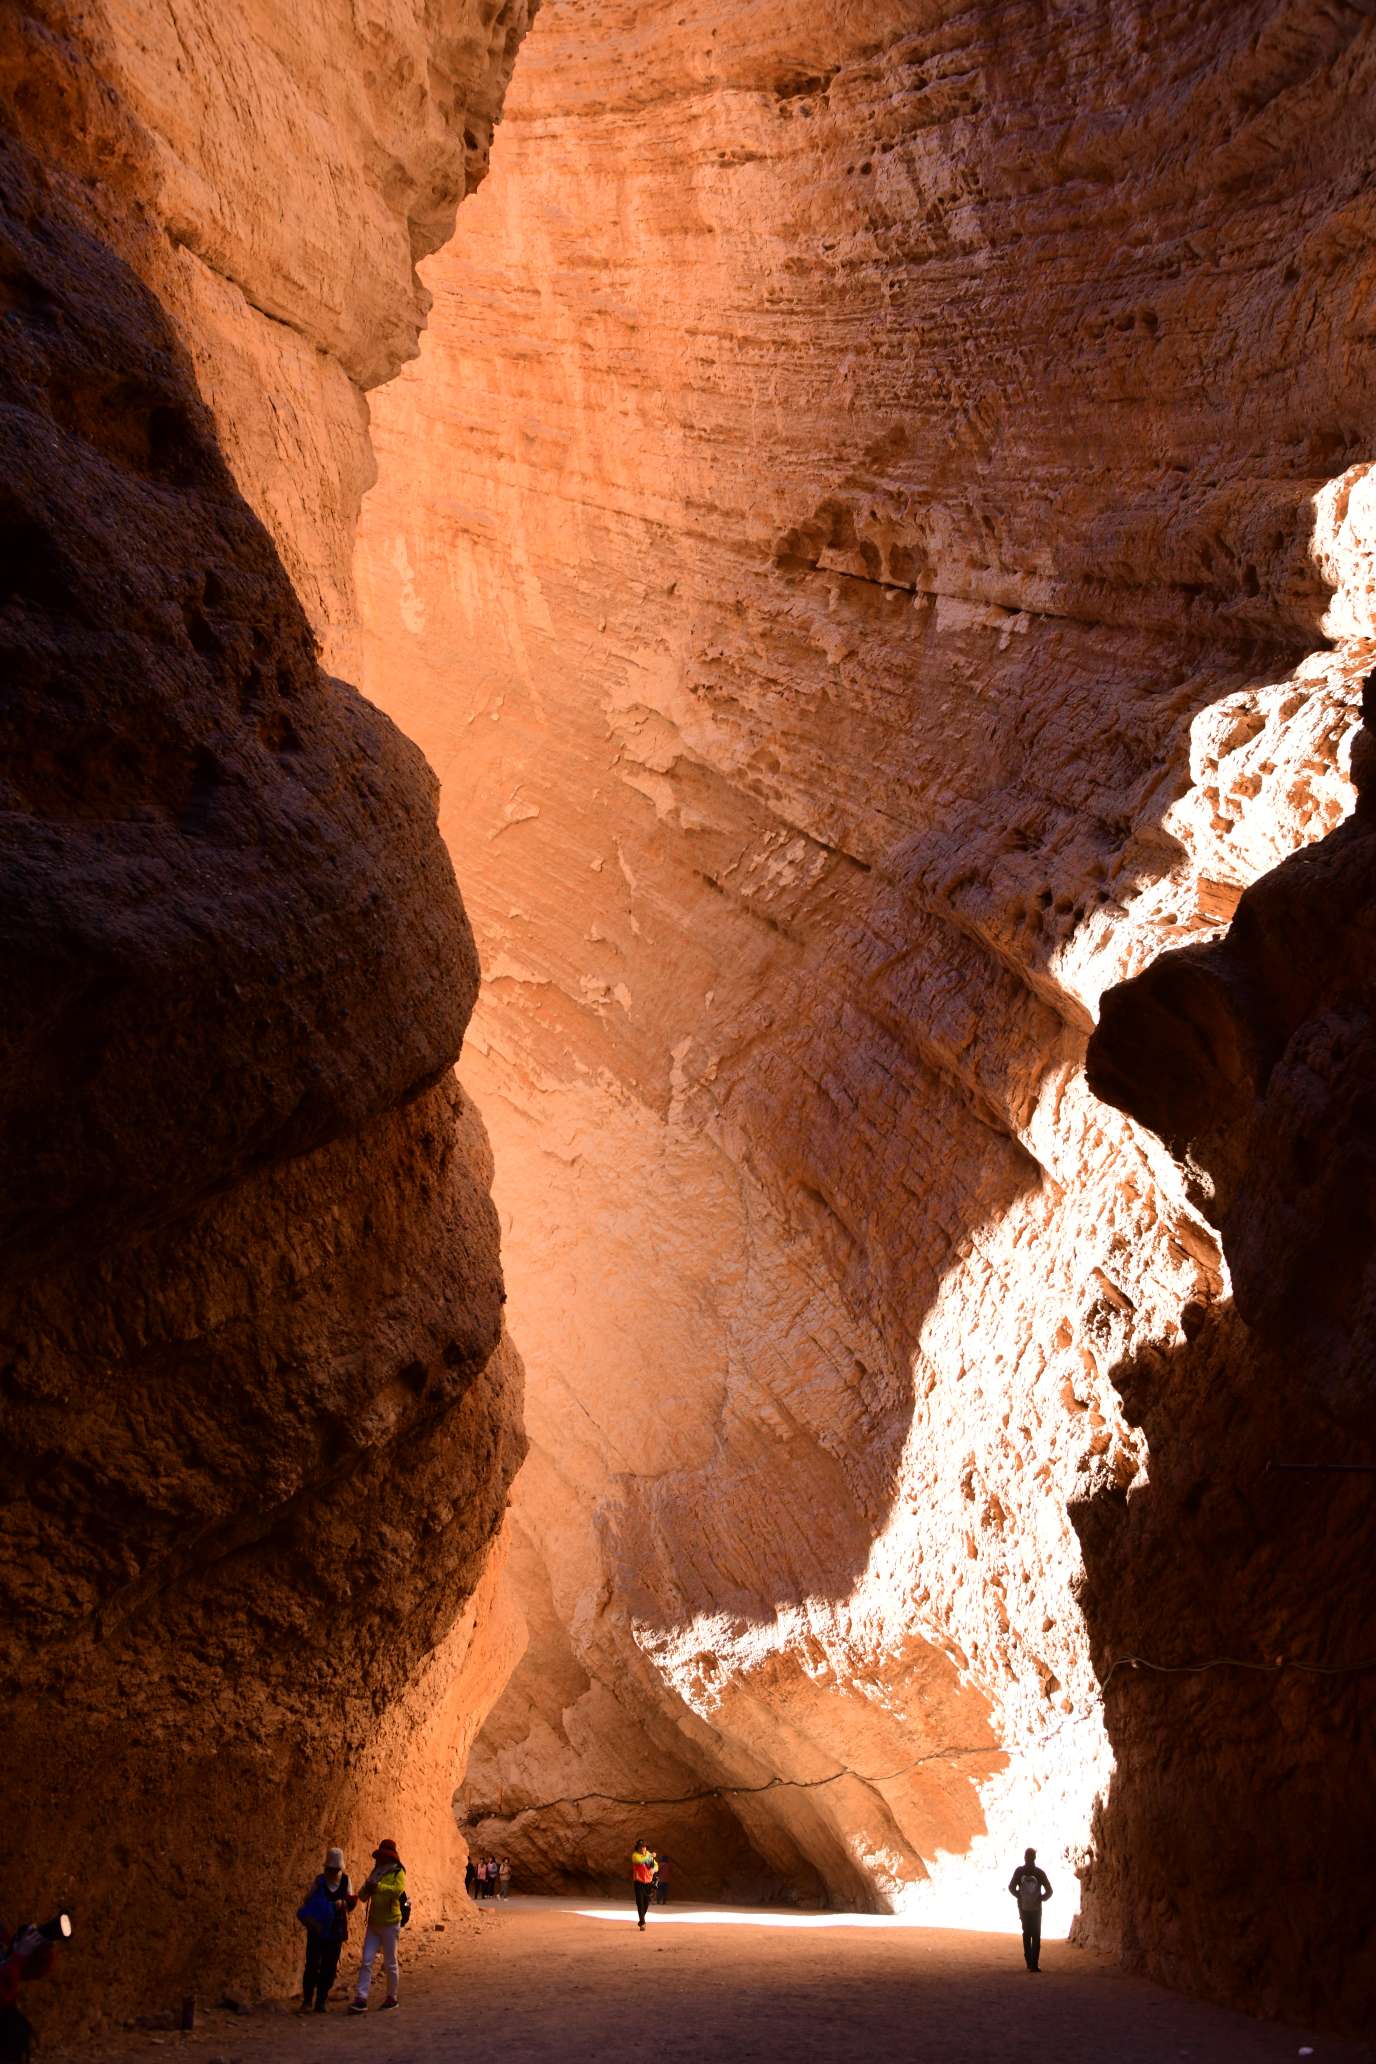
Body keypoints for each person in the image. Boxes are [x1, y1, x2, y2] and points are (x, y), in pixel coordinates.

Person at [349, 1839, 407, 2014]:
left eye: (383, 1856)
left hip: (390, 1923)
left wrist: (378, 1887)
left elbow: (397, 1891)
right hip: (374, 1923)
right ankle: (361, 1998)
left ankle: (392, 1997)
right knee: (366, 1960)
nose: (380, 1859)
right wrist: (360, 1894)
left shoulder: (398, 1872)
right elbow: (365, 1894)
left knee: (390, 1962)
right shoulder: (376, 1872)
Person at [298, 1847, 356, 2013]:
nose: (333, 1872)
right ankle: (308, 1999)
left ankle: (321, 2000)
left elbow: (350, 1903)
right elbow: (307, 1899)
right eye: (331, 1869)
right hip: (317, 1930)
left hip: (335, 1929)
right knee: (312, 1965)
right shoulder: (319, 1881)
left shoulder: (345, 1881)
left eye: (335, 1869)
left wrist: (342, 1903)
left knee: (329, 1966)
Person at [1007, 1847, 1052, 1971]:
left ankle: (1028, 1963)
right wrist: (1040, 1898)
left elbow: (1011, 1887)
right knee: (1036, 1934)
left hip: (1023, 1907)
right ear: (1035, 1858)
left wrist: (1020, 1896)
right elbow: (1050, 1891)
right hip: (1036, 1908)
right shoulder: (1039, 1873)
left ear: (1025, 1857)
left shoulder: (1019, 1871)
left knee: (1026, 1933)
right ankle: (1034, 1964)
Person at [631, 1840, 657, 1930]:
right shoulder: (635, 1855)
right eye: (641, 1847)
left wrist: (654, 1869)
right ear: (637, 1848)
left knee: (646, 1904)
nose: (643, 1848)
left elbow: (655, 1865)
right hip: (638, 1883)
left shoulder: (648, 1854)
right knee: (640, 1903)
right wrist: (650, 1856)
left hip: (648, 1884)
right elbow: (640, 1861)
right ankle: (642, 1923)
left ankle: (641, 1919)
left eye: (644, 1847)